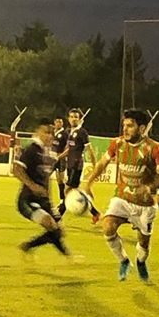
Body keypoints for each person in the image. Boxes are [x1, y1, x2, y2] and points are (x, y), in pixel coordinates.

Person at [82, 109, 159, 283]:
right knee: (107, 227)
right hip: (122, 198)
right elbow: (102, 164)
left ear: (142, 128)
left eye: (130, 126)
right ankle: (123, 261)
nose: (125, 129)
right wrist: (88, 183)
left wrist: (149, 187)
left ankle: (140, 262)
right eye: (124, 125)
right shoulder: (117, 143)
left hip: (144, 205)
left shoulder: (153, 149)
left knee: (143, 244)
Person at [15, 118, 70, 257]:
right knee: (50, 224)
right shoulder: (32, 150)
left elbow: (46, 178)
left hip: (44, 201)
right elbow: (16, 169)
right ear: (38, 132)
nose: (50, 136)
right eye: (46, 132)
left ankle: (28, 247)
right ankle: (28, 247)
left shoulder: (48, 152)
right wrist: (32, 186)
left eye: (52, 133)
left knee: (58, 231)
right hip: (28, 200)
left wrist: (49, 200)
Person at [55, 108, 101, 223]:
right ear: (69, 119)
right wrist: (58, 157)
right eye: (71, 116)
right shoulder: (70, 132)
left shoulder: (82, 132)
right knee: (73, 191)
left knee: (67, 190)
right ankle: (95, 213)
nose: (73, 119)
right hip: (70, 165)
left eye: (76, 117)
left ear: (80, 119)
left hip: (77, 165)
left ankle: (58, 215)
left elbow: (89, 149)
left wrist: (96, 166)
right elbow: (70, 149)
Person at [51, 116, 69, 200]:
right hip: (51, 157)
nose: (59, 123)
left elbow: (67, 146)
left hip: (60, 158)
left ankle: (63, 198)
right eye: (57, 122)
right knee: (45, 176)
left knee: (60, 179)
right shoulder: (52, 132)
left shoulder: (65, 134)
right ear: (54, 122)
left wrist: (62, 156)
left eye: (60, 122)